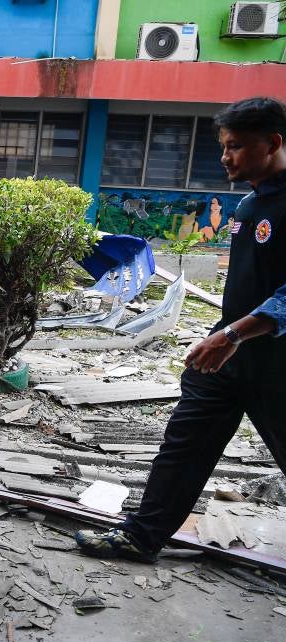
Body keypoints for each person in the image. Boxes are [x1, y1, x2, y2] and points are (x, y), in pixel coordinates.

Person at [75, 97, 286, 563]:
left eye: (236, 146)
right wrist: (223, 335)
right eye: (223, 146)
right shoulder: (251, 203)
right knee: (185, 445)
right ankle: (142, 535)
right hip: (229, 355)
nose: (225, 157)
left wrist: (232, 335)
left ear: (273, 143)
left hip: (275, 361)